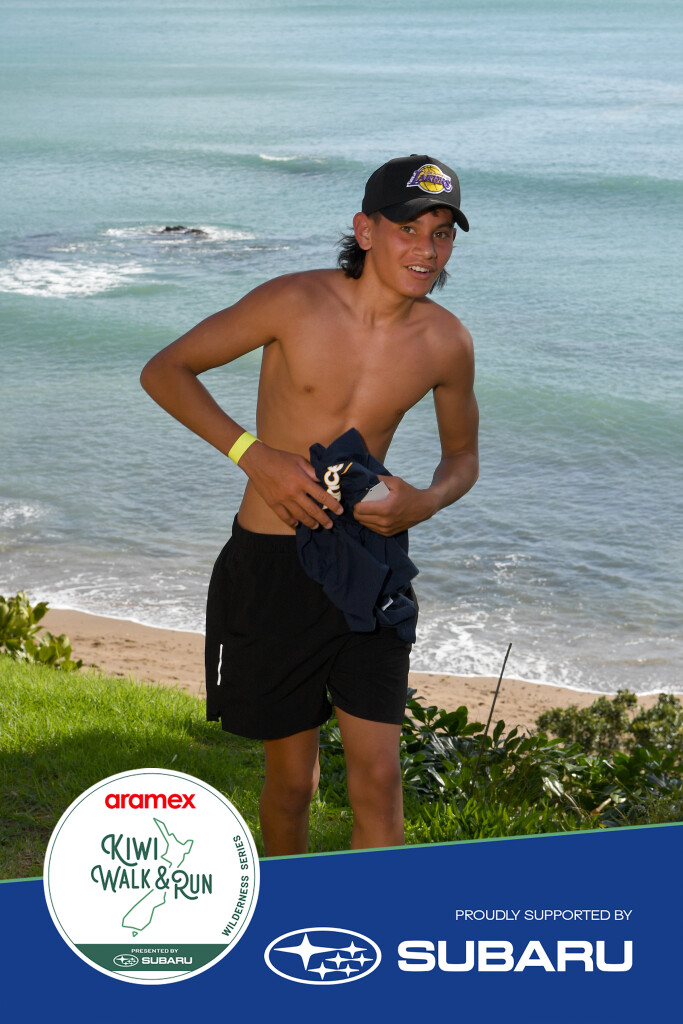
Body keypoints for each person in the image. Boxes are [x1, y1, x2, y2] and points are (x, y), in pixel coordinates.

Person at [140, 154, 479, 856]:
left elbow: (462, 459)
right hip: (274, 564)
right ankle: (292, 911)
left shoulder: (445, 342)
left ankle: (373, 919)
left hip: (369, 565)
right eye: (409, 229)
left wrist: (423, 502)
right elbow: (165, 370)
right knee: (293, 783)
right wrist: (252, 454)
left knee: (378, 780)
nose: (426, 249)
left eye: (442, 233)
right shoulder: (293, 302)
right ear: (366, 230)